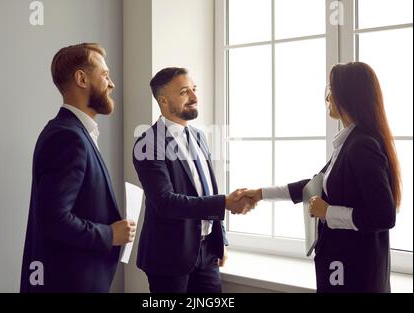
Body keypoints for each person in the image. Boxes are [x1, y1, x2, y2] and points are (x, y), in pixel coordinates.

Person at [240, 62, 401, 293]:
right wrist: (260, 194)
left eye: (331, 89)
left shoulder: (362, 145)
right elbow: (315, 186)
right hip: (342, 266)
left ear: (348, 94)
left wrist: (328, 212)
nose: (327, 96)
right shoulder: (350, 141)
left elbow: (383, 216)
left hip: (354, 271)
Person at [20, 43, 136, 292]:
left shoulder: (74, 133)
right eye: (105, 75)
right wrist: (109, 234)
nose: (112, 83)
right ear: (82, 79)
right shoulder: (67, 137)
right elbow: (54, 219)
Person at [133, 67, 256, 293]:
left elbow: (206, 188)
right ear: (163, 100)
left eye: (194, 89)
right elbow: (165, 202)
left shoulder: (199, 136)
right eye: (184, 92)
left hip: (207, 252)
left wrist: (220, 240)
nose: (195, 97)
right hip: (169, 257)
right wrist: (224, 203)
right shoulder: (148, 143)